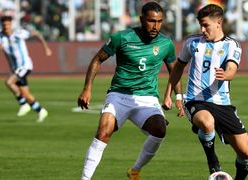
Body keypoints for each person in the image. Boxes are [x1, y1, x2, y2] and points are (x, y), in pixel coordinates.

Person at [77, 2, 184, 180]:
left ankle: (135, 170)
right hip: (119, 95)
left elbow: (175, 71)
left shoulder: (166, 43)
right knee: (104, 131)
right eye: (151, 21)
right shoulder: (122, 37)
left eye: (159, 22)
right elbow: (97, 60)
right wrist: (87, 88)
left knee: (159, 130)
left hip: (147, 99)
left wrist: (178, 96)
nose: (155, 26)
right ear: (141, 19)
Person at [162, 4, 248, 180]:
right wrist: (170, 94)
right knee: (207, 122)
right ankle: (213, 162)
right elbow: (178, 68)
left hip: (223, 104)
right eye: (200, 25)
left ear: (219, 23)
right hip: (195, 101)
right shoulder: (192, 42)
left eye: (206, 25)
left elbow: (232, 69)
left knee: (246, 153)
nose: (202, 29)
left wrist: (226, 74)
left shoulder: (232, 45)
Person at [0, 15, 52, 123]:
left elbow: (37, 34)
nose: (6, 27)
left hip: (25, 65)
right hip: (15, 69)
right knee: (26, 94)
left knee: (9, 82)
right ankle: (41, 111)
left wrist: (46, 48)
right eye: (4, 25)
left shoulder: (18, 33)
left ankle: (23, 103)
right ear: (1, 25)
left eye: (8, 24)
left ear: (11, 25)